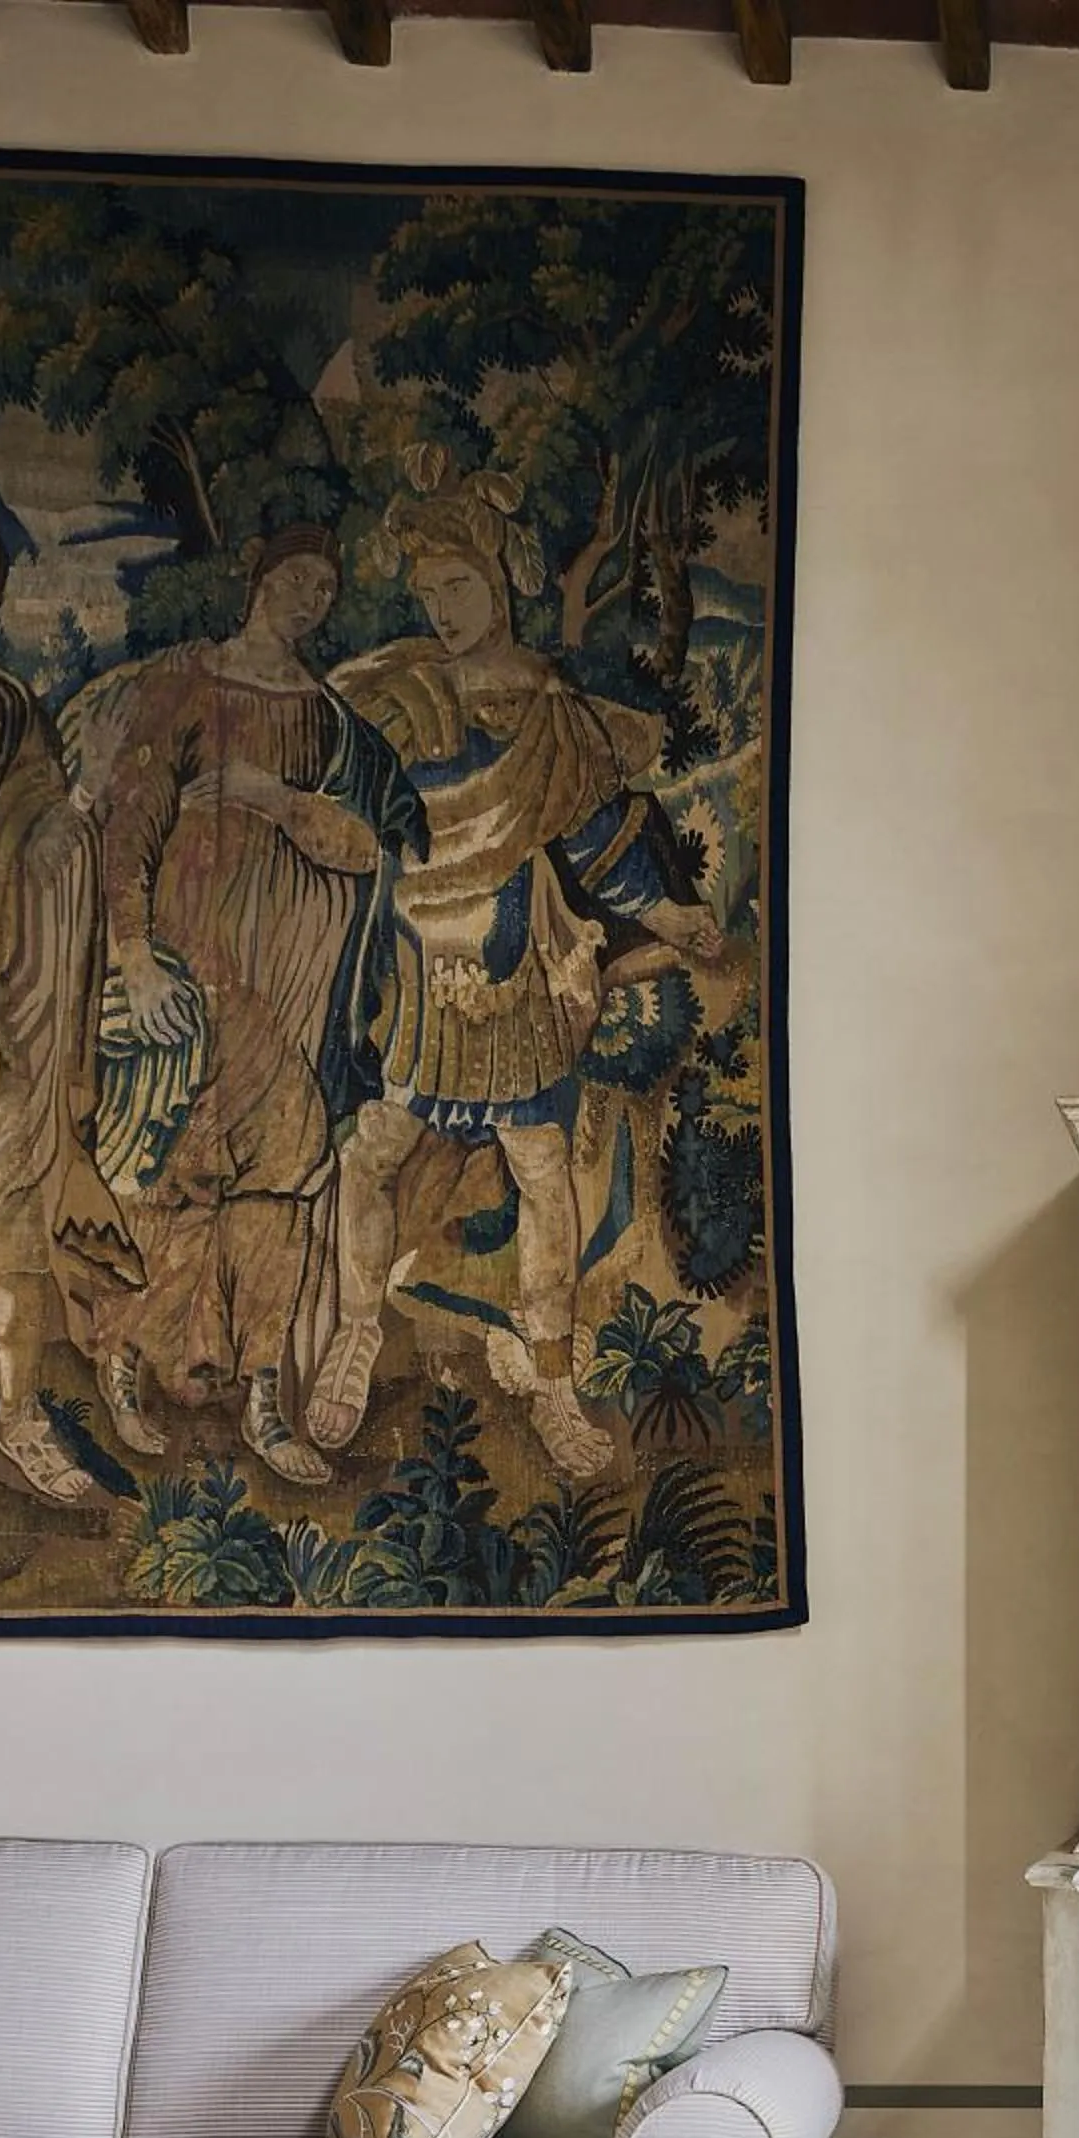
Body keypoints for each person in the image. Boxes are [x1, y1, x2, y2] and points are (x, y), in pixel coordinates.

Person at [312, 453, 720, 1483]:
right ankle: (355, 1337)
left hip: (512, 972)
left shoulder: (548, 708)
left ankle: (550, 1381)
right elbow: (352, 818)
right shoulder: (392, 695)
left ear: (499, 581)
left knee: (542, 1171)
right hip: (415, 971)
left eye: (460, 587)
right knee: (370, 1155)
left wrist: (669, 909)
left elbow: (592, 840)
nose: (443, 609)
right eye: (428, 592)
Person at [93, 524, 425, 1485]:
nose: (311, 597)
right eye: (296, 577)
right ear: (258, 577)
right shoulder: (188, 688)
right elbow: (134, 817)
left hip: (296, 977)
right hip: (192, 968)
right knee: (175, 1164)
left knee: (283, 1171)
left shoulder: (332, 720)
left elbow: (375, 845)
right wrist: (130, 952)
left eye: (326, 584)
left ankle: (265, 1390)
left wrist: (269, 797)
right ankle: (129, 1355)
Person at [0, 510, 135, 1507]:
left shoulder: (6, 708)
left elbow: (40, 856)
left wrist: (82, 803)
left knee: (7, 1209)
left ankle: (19, 1405)